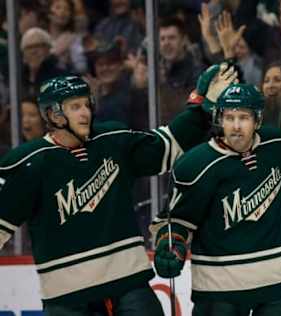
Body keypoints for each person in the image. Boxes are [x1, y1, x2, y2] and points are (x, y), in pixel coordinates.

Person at [0, 67, 236, 314]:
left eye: (86, 104)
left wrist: (199, 105)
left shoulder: (112, 139)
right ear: (53, 114)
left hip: (129, 286)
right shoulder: (28, 164)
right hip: (68, 299)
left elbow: (168, 145)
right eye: (75, 107)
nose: (85, 113)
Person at [151, 83, 281, 316]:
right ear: (218, 119)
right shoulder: (195, 165)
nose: (235, 126)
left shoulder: (278, 145)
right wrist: (171, 244)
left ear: (258, 120)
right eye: (229, 117)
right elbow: (176, 221)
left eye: (243, 117)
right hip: (220, 291)